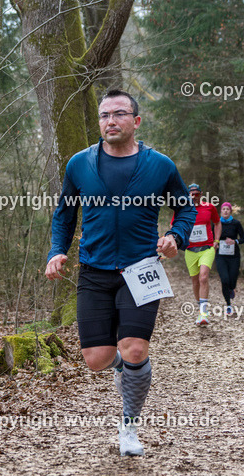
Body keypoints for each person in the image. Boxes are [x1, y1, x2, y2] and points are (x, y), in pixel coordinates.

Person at [45, 89, 196, 457]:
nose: (110, 121)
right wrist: (57, 251)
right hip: (94, 270)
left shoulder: (160, 165)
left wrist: (175, 236)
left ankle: (129, 426)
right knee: (96, 359)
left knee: (134, 348)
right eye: (103, 115)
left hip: (141, 268)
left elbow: (185, 210)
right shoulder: (79, 164)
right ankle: (126, 370)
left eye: (118, 114)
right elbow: (64, 215)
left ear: (136, 121)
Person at [183, 183, 221, 326]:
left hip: (207, 248)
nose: (194, 197)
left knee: (203, 277)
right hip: (190, 250)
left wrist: (216, 240)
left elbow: (217, 223)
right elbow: (173, 225)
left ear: (201, 194)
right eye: (191, 194)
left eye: (197, 194)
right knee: (195, 281)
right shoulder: (183, 209)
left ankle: (203, 313)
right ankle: (200, 310)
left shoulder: (209, 207)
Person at [215, 201, 244, 317]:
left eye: (227, 209)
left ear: (230, 211)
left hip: (234, 256)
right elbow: (212, 236)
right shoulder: (217, 223)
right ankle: (228, 305)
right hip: (221, 256)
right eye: (223, 209)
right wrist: (215, 243)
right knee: (224, 280)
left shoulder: (236, 223)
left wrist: (235, 241)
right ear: (221, 211)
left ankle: (232, 288)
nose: (225, 211)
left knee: (232, 279)